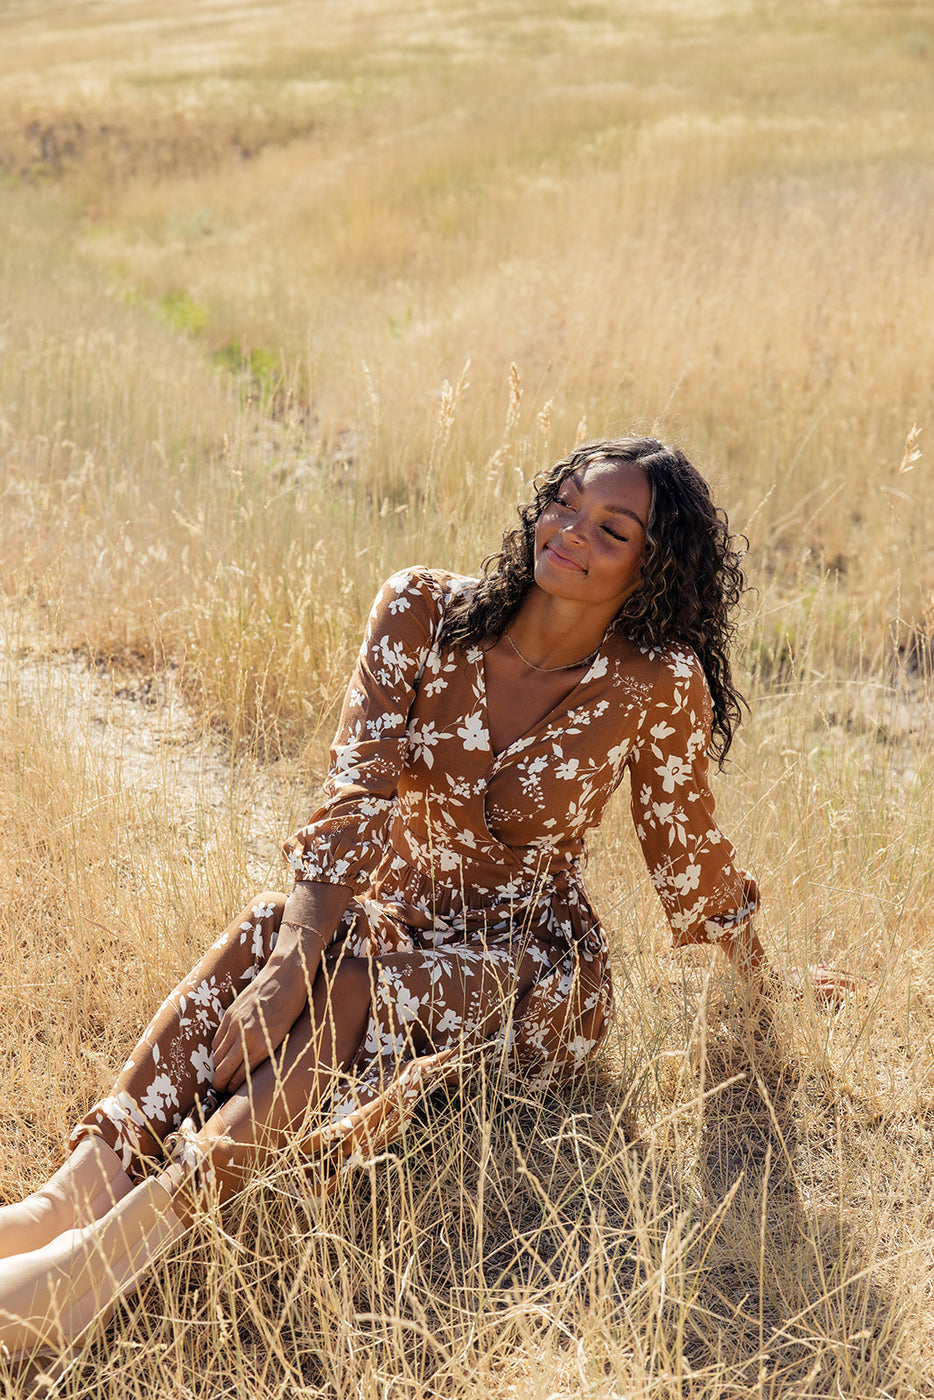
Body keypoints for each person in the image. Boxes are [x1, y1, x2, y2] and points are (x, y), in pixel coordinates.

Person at [0, 435, 779, 1365]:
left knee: (356, 980)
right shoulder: (424, 610)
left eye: (610, 528)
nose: (571, 532)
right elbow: (358, 794)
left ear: (651, 568)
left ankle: (107, 1258)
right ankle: (67, 1202)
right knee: (272, 930)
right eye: (564, 502)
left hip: (530, 964)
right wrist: (290, 960)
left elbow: (689, 856)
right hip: (398, 915)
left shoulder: (657, 683)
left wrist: (768, 995)